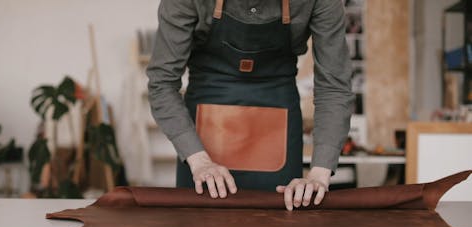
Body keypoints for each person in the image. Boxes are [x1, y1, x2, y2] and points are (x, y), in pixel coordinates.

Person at [146, 0, 353, 210]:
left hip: (278, 114)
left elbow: (334, 87)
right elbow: (161, 83)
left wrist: (319, 174)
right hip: (203, 127)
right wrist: (199, 161)